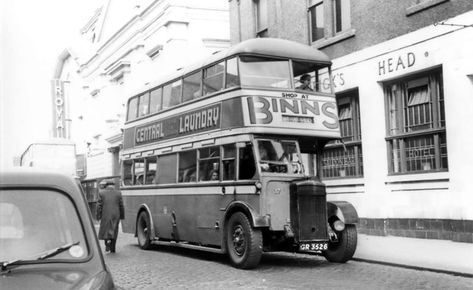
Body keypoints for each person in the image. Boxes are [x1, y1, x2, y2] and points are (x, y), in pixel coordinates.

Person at [97, 179, 124, 253]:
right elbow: (121, 205)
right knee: (114, 230)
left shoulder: (101, 193)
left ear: (106, 185)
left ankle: (107, 242)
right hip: (116, 214)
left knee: (106, 229)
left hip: (105, 214)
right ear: (113, 185)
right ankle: (113, 248)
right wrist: (122, 216)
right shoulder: (118, 193)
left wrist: (98, 216)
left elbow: (99, 206)